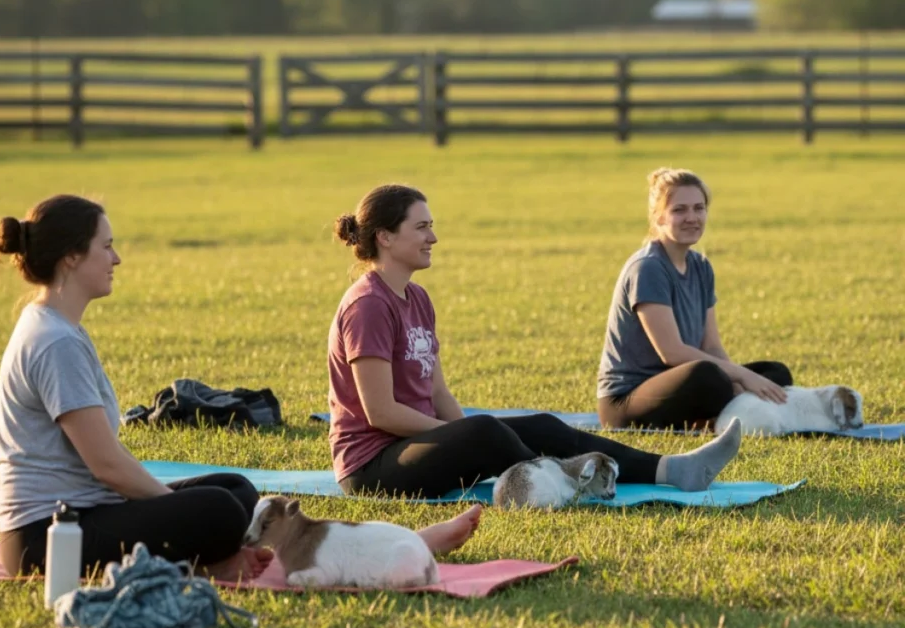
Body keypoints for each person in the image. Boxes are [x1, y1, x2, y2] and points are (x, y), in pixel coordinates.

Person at [0, 195, 478, 579]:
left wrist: (178, 508)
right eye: (106, 246)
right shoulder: (54, 341)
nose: (116, 258)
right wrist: (176, 508)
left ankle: (219, 561)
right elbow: (107, 465)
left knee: (237, 490)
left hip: (79, 518)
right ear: (73, 258)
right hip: (45, 540)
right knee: (219, 509)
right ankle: (395, 548)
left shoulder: (58, 329)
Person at [327, 184, 744, 500]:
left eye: (431, 227)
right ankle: (572, 479)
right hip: (372, 466)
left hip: (418, 442)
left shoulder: (416, 297)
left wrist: (458, 431)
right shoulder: (368, 305)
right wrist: (459, 433)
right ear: (384, 237)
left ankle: (673, 469)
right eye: (422, 228)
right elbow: (380, 413)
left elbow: (436, 391)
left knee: (541, 424)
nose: (433, 238)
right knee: (484, 431)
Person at [597, 168, 793, 430]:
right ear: (659, 218)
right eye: (679, 210)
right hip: (625, 401)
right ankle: (721, 415)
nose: (692, 217)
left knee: (775, 374)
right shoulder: (648, 268)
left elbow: (711, 347)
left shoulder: (700, 266)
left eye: (698, 208)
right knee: (709, 377)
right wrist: (741, 377)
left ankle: (718, 414)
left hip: (682, 383)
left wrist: (742, 381)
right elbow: (672, 352)